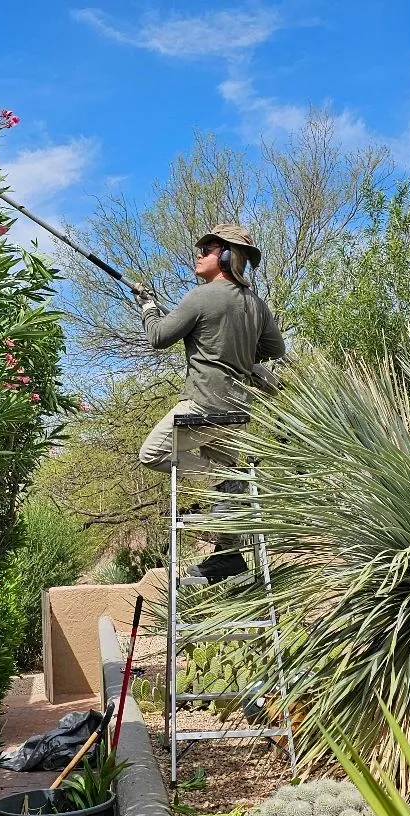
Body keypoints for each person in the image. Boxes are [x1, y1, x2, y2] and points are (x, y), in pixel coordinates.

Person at [136, 224, 285, 583]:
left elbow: (158, 337)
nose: (199, 253)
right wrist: (245, 355)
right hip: (237, 411)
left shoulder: (201, 296)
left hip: (202, 406)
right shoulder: (256, 305)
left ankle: (225, 480)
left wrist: (147, 306)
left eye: (208, 248)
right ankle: (228, 557)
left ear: (229, 257)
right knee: (228, 480)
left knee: (152, 453)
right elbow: (276, 350)